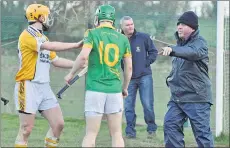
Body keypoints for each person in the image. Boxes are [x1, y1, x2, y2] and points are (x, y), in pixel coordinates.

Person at [14, 4, 83, 147]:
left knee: (58, 124)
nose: (49, 18)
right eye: (47, 15)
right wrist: (76, 45)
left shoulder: (43, 38)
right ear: (39, 17)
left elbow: (56, 60)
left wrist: (77, 64)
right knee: (26, 129)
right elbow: (50, 47)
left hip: (44, 87)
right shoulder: (27, 35)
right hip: (28, 86)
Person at [64, 4, 132, 147]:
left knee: (91, 134)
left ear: (98, 18)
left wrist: (71, 73)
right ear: (113, 19)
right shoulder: (123, 38)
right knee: (117, 134)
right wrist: (124, 88)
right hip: (114, 90)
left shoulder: (91, 33)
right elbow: (129, 67)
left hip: (95, 89)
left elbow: (83, 57)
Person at [160, 11, 214, 147]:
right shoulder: (180, 45)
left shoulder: (200, 43)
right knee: (170, 125)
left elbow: (191, 52)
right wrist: (170, 78)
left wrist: (172, 50)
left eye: (183, 24)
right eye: (178, 24)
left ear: (192, 28)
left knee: (202, 136)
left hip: (197, 98)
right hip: (177, 98)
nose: (179, 27)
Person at [120, 16, 158, 138]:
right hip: (129, 79)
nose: (130, 26)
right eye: (127, 25)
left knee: (147, 104)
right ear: (122, 27)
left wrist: (145, 63)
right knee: (128, 106)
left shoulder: (143, 37)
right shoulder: (118, 40)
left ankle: (151, 129)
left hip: (144, 76)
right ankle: (130, 132)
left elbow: (153, 52)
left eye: (132, 24)